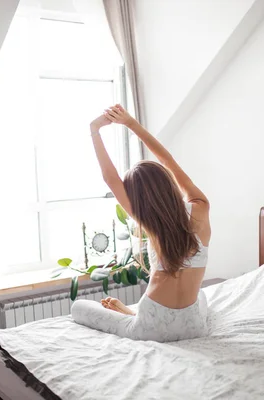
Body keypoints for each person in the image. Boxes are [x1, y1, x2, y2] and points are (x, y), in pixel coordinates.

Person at [70, 104, 211, 342]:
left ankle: (131, 314)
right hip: (194, 326)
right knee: (203, 297)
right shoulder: (201, 208)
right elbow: (168, 161)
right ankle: (130, 313)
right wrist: (131, 124)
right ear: (168, 183)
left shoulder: (147, 220)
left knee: (79, 308)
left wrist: (94, 129)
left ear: (138, 200)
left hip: (151, 327)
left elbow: (110, 178)